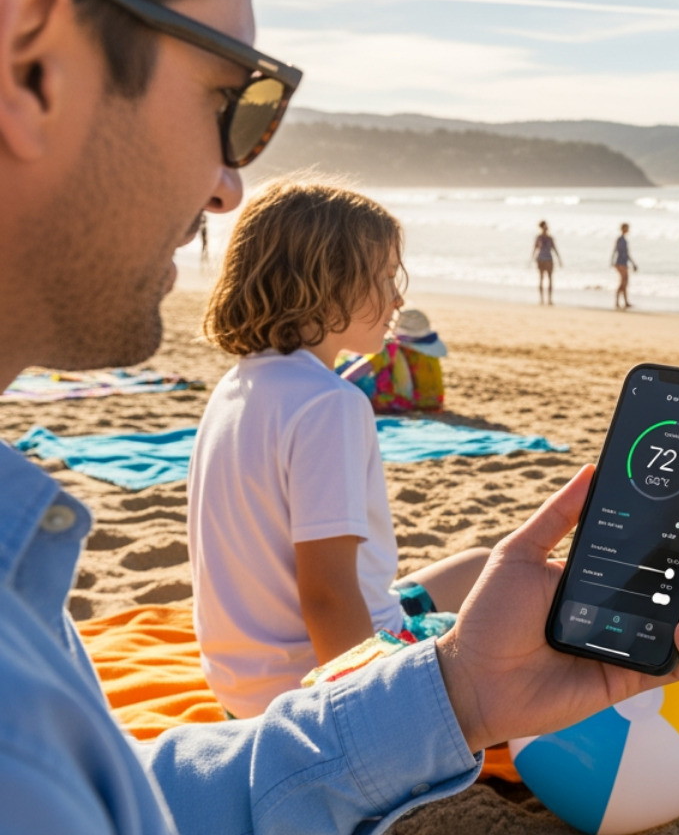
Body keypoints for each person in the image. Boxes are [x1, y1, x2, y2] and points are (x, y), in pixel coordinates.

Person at [0, 0, 679, 831]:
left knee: (483, 581)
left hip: (255, 695)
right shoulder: (323, 407)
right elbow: (327, 598)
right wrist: (398, 706)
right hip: (309, 680)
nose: (228, 184)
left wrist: (460, 695)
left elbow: (129, 807)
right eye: (233, 98)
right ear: (30, 60)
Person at [190, 180, 488, 718]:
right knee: (525, 607)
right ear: (329, 283)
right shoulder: (330, 404)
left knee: (480, 566)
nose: (398, 298)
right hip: (314, 692)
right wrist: (362, 725)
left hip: (242, 687)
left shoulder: (237, 386)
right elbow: (327, 595)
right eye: (385, 277)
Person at [532, 220, 562, 305]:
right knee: (542, 279)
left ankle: (549, 299)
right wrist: (532, 259)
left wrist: (559, 259)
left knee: (549, 279)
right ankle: (542, 299)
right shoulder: (539, 238)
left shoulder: (549, 238)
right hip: (542, 259)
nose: (546, 228)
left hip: (548, 259)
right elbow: (535, 249)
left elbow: (554, 249)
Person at [612, 221, 638, 310]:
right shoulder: (621, 240)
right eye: (627, 228)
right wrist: (613, 262)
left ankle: (625, 302)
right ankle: (617, 302)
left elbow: (625, 253)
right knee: (623, 283)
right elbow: (617, 251)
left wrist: (632, 263)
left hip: (623, 263)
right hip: (621, 263)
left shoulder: (623, 240)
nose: (628, 230)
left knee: (625, 283)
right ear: (623, 229)